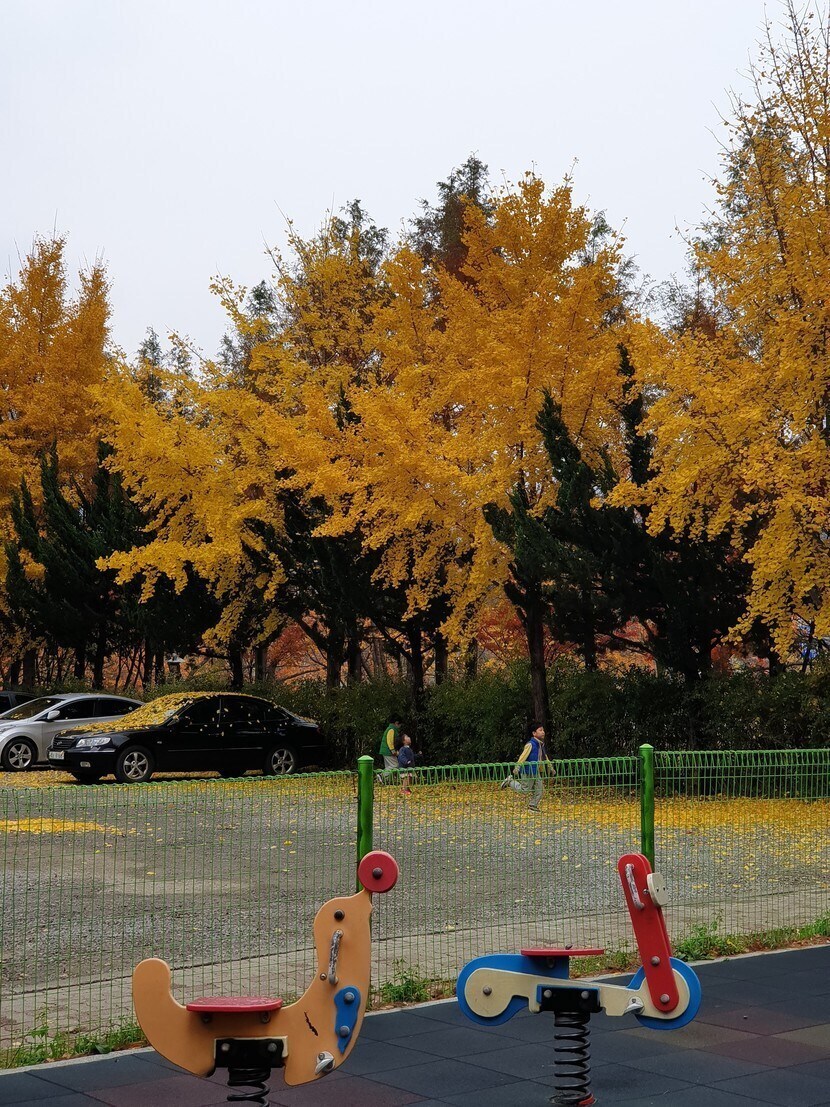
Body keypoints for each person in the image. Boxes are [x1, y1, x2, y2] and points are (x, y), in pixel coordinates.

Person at [500, 723, 551, 811]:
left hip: (536, 771)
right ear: (534, 733)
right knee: (525, 790)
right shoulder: (530, 744)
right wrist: (517, 766)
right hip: (528, 771)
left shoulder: (541, 745)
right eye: (540, 730)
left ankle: (533, 805)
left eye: (543, 730)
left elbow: (545, 757)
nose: (543, 732)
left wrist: (550, 767)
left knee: (540, 789)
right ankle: (510, 781)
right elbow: (523, 756)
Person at [377, 716, 403, 780]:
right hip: (388, 751)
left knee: (388, 766)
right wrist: (393, 750)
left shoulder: (390, 728)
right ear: (396, 723)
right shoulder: (391, 729)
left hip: (385, 750)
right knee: (395, 765)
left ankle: (385, 780)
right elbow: (389, 741)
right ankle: (381, 775)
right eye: (400, 725)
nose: (400, 727)